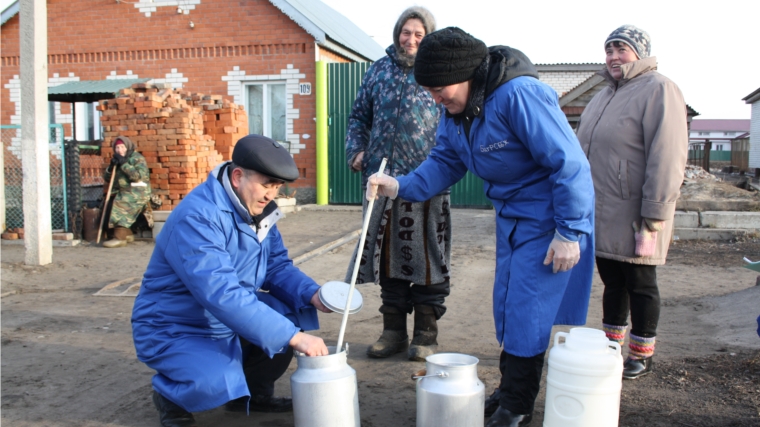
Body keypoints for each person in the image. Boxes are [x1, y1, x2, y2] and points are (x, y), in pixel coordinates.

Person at [367, 27, 595, 427]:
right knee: (509, 307)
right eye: (431, 91)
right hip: (511, 220)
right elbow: (443, 162)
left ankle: (517, 406)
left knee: (528, 310)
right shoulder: (456, 110)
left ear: (466, 74)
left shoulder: (518, 95)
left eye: (440, 89)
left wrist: (570, 232)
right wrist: (399, 185)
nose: (435, 99)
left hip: (550, 219)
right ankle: (510, 392)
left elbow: (569, 163)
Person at [131, 135, 331, 427]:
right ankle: (171, 397)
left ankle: (252, 393)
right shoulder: (199, 217)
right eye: (266, 185)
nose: (270, 195)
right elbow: (220, 293)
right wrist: (292, 336)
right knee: (219, 379)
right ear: (238, 177)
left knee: (289, 315)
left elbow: (275, 266)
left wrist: (313, 293)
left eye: (276, 187)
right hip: (177, 326)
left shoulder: (257, 210)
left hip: (223, 318)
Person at [576, 25, 688, 380]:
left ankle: (642, 352)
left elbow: (668, 154)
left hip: (638, 210)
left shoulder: (660, 89)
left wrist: (656, 209)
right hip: (602, 207)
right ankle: (612, 346)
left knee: (640, 280)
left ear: (640, 53)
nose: (613, 57)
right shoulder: (603, 95)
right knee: (612, 280)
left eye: (621, 49)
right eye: (609, 50)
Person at [344, 6, 450, 362]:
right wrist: (356, 149)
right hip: (380, 177)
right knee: (386, 257)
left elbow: (453, 116)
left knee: (427, 256)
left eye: (419, 34)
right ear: (397, 33)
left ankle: (426, 334)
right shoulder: (379, 70)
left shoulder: (437, 70)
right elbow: (359, 116)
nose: (411, 40)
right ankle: (393, 332)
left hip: (428, 179)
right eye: (407, 32)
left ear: (429, 37)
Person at [101, 136, 151, 248]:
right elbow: (108, 178)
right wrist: (111, 167)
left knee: (122, 203)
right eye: (117, 147)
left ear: (127, 147)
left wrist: (124, 164)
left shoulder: (137, 158)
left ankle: (120, 238)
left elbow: (138, 177)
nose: (120, 150)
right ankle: (127, 234)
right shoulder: (118, 158)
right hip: (123, 190)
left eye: (122, 147)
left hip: (139, 190)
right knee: (110, 202)